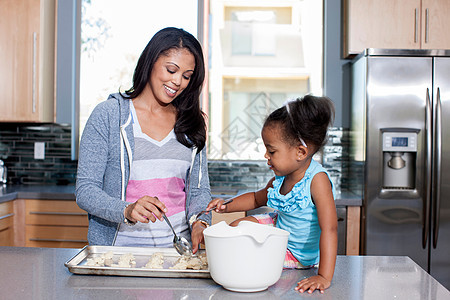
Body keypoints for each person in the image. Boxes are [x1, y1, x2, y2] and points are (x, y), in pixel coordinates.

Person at [76, 27, 211, 254]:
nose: (178, 81)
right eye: (171, 70)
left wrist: (200, 221)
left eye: (187, 76)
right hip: (117, 255)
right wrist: (127, 210)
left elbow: (198, 191)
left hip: (177, 255)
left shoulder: (191, 123)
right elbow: (86, 190)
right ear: (150, 62)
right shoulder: (109, 115)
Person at [207, 95, 338, 293]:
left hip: (298, 253)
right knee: (236, 228)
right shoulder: (281, 178)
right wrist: (226, 206)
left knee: (249, 255)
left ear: (300, 152)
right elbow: (255, 198)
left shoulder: (317, 180)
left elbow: (330, 229)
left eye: (272, 151)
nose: (266, 156)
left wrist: (323, 276)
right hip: (279, 227)